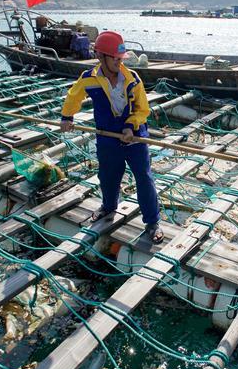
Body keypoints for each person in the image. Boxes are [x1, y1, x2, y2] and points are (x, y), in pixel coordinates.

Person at [59, 31, 163, 242]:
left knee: (144, 178)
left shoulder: (132, 79)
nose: (118, 62)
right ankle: (108, 207)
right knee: (107, 175)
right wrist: (67, 117)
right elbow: (73, 96)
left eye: (120, 58)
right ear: (100, 56)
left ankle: (152, 222)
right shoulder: (89, 79)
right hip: (107, 137)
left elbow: (143, 110)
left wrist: (130, 127)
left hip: (134, 137)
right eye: (115, 58)